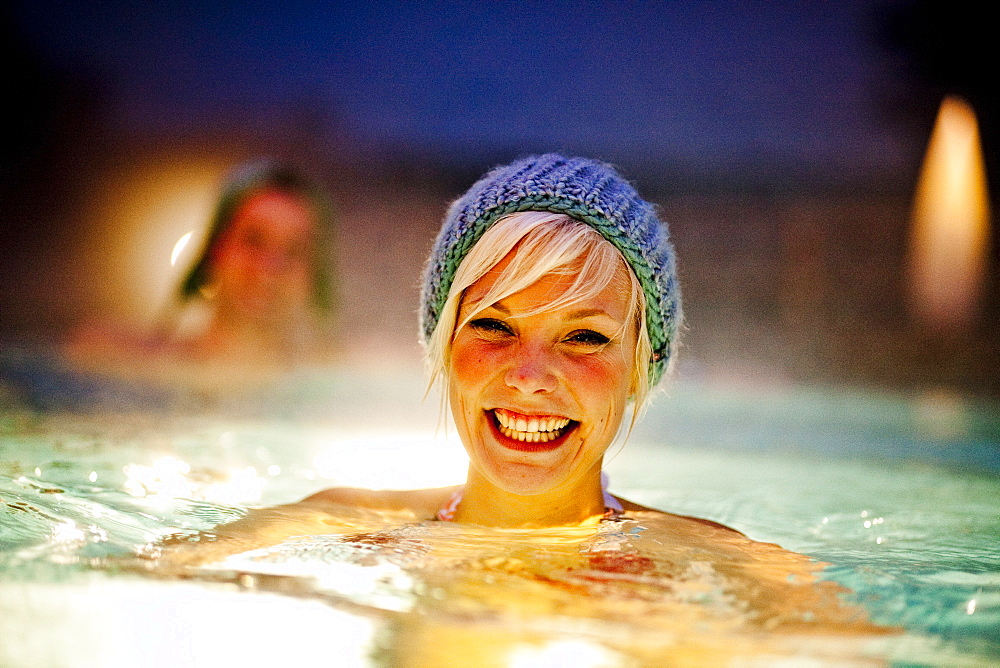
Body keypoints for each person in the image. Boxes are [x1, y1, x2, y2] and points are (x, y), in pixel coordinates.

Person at [156, 156, 892, 661]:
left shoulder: (732, 572)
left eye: (584, 336)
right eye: (495, 326)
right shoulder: (330, 528)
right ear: (442, 345)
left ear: (643, 371)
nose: (531, 376)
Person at [58, 160, 337, 404]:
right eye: (253, 240)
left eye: (295, 250)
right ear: (215, 250)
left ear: (314, 277)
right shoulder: (113, 357)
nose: (270, 267)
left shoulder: (337, 381)